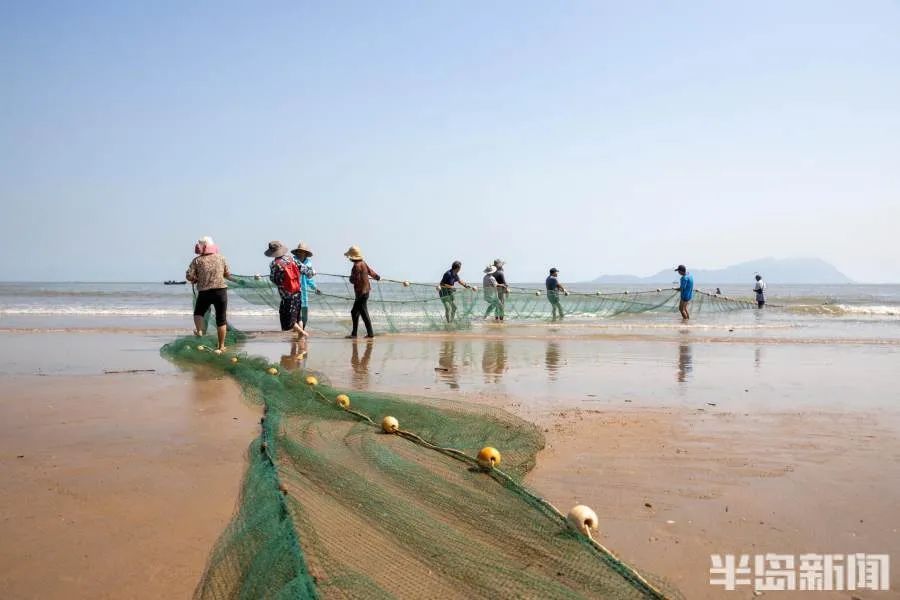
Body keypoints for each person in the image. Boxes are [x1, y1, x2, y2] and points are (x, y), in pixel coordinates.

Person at [185, 236, 231, 352]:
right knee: (221, 319)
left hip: (204, 292)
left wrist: (195, 279)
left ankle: (200, 330)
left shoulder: (197, 260)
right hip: (220, 291)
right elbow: (227, 274)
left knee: (198, 312)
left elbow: (189, 276)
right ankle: (221, 346)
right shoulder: (221, 258)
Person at [265, 241, 309, 339]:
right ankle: (300, 339)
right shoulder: (292, 259)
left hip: (287, 296)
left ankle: (302, 333)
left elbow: (273, 279)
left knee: (288, 320)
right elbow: (306, 270)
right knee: (298, 318)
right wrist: (312, 272)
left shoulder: (274, 264)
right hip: (298, 293)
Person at [345, 245, 380, 338]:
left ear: (352, 257)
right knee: (356, 312)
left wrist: (350, 278)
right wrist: (377, 277)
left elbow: (355, 280)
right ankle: (355, 333)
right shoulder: (363, 263)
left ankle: (369, 334)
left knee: (361, 312)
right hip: (366, 292)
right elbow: (370, 272)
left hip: (361, 293)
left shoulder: (356, 266)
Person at [291, 241, 319, 328]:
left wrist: (315, 288)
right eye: (299, 251)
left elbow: (309, 279)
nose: (300, 253)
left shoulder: (308, 263)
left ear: (305, 253)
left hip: (304, 292)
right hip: (294, 290)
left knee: (305, 312)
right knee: (295, 312)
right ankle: (298, 331)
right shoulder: (293, 261)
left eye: (302, 252)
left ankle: (302, 329)